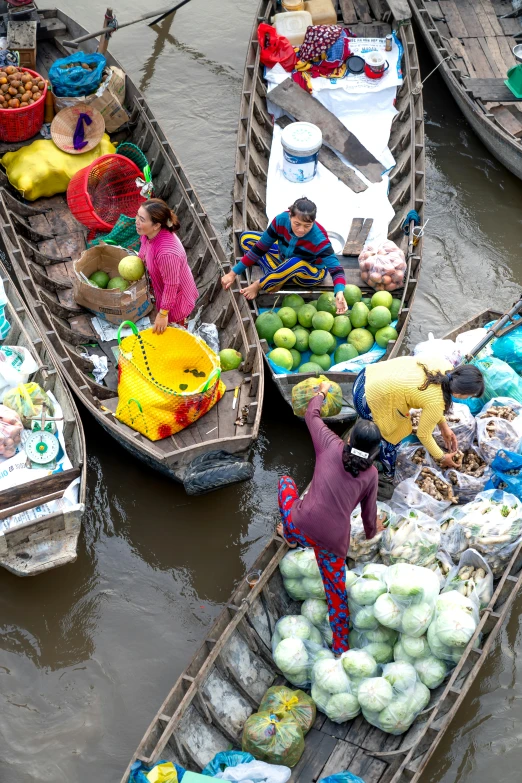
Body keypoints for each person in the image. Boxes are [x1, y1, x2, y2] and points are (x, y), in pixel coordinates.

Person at [276, 381, 384, 656]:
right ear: (373, 454)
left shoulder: (330, 444)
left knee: (286, 482)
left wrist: (321, 394)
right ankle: (340, 647)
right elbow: (369, 523)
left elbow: (311, 415)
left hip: (301, 525)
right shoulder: (371, 476)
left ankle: (288, 537)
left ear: (349, 440)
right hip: (332, 544)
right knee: (336, 595)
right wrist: (374, 529)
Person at [352, 356, 485, 478]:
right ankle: (389, 472)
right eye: (469, 395)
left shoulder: (445, 366)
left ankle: (363, 435)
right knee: (390, 440)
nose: (468, 398)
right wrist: (442, 457)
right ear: (458, 392)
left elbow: (433, 399)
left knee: (379, 427)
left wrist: (444, 427)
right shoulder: (435, 402)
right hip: (367, 398)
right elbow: (423, 435)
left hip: (367, 376)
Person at [221, 197, 348, 314]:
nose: (301, 230)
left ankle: (260, 284)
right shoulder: (280, 220)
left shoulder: (319, 238)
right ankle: (278, 277)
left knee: (295, 262)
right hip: (283, 258)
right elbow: (260, 248)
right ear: (290, 215)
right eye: (297, 224)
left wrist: (339, 292)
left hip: (310, 272)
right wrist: (233, 274)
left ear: (313, 222)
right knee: (246, 238)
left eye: (307, 226)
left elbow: (336, 269)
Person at [136, 198, 198, 334]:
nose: (137, 221)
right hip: (161, 288)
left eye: (142, 219)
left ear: (156, 225)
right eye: (137, 216)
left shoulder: (166, 254)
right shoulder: (147, 234)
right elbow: (143, 251)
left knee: (172, 333)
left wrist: (163, 314)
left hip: (177, 300)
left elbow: (171, 285)